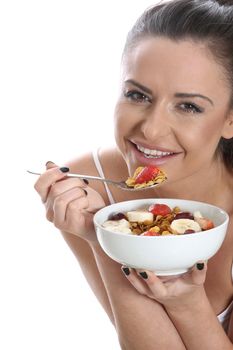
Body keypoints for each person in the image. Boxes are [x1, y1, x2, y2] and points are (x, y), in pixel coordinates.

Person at [34, 0, 233, 348]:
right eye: (137, 95)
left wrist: (188, 306)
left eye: (188, 106)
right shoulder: (85, 182)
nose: (152, 131)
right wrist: (104, 236)